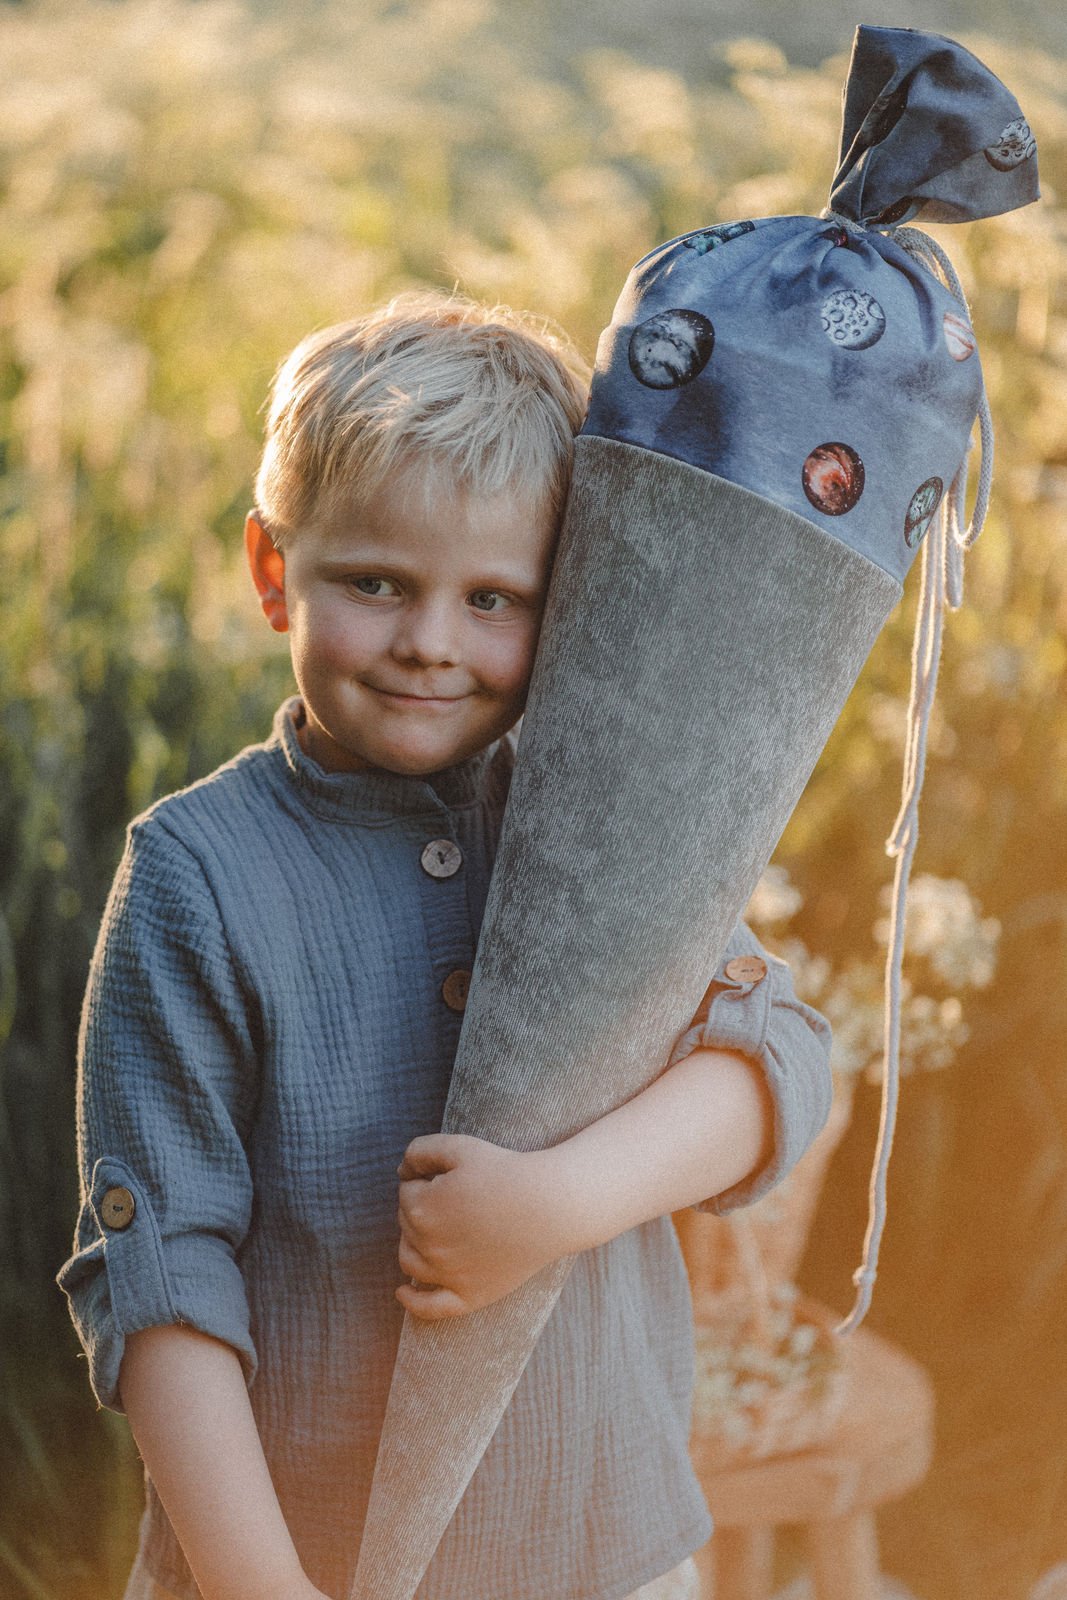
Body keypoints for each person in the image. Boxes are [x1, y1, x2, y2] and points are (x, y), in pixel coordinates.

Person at [57, 291, 834, 1600]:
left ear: (570, 608)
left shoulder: (591, 830)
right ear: (270, 572)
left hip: (602, 1550)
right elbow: (161, 1277)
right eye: (375, 584)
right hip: (305, 1558)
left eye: (496, 600)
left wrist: (555, 1206)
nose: (430, 642)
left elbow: (777, 1058)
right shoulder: (198, 877)